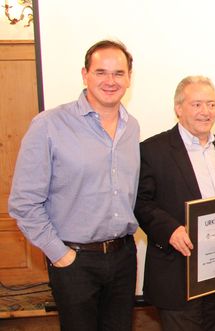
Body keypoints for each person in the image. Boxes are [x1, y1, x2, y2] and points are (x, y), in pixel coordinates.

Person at [8, 39, 140, 331]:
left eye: (118, 73)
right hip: (74, 261)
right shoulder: (49, 125)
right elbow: (23, 203)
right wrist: (60, 253)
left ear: (129, 78)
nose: (110, 81)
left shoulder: (132, 127)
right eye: (101, 72)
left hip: (122, 258)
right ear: (85, 75)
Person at [135, 76, 215, 330]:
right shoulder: (153, 150)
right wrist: (170, 230)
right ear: (178, 108)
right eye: (197, 104)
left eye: (211, 104)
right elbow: (140, 203)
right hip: (177, 274)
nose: (205, 112)